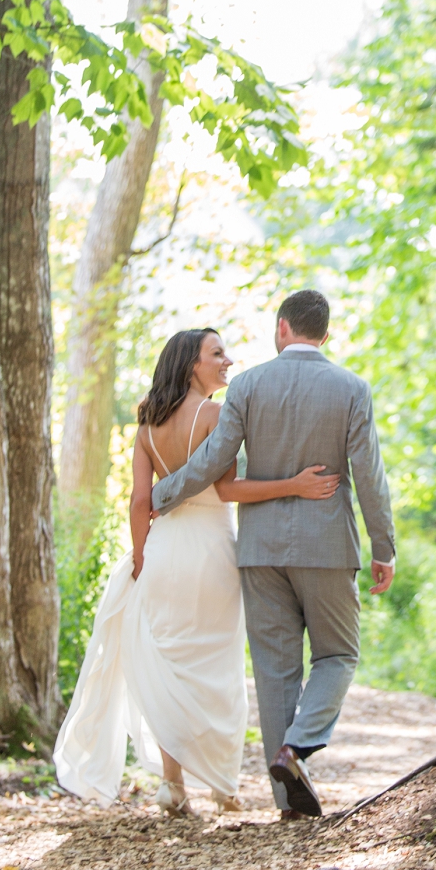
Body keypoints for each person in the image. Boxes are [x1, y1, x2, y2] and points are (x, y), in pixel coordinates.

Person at [54, 327, 339, 815]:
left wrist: (141, 556)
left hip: (163, 551)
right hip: (210, 551)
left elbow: (140, 499)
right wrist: (292, 484)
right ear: (192, 364)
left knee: (173, 666)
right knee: (218, 669)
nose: (228, 360)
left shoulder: (148, 422)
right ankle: (224, 788)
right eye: (217, 353)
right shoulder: (214, 414)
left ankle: (173, 784)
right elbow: (227, 491)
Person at [147, 290, 395, 818]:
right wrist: (384, 546)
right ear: (324, 334)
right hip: (327, 548)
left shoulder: (249, 384)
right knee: (337, 655)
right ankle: (296, 748)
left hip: (258, 551)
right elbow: (368, 474)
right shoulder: (351, 388)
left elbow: (215, 461)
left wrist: (162, 495)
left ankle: (290, 803)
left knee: (276, 673)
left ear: (282, 328)